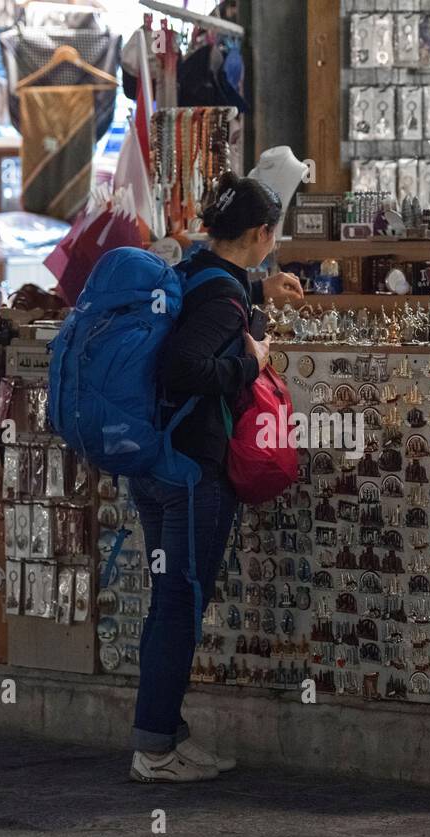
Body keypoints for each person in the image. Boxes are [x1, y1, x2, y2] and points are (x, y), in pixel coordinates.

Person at [129, 172, 303, 782]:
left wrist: (258, 289)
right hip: (191, 473)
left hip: (158, 465)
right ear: (261, 233)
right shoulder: (223, 297)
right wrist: (247, 360)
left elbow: (204, 317)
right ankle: (154, 751)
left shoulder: (197, 273)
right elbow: (186, 367)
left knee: (169, 598)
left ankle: (164, 736)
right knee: (179, 604)